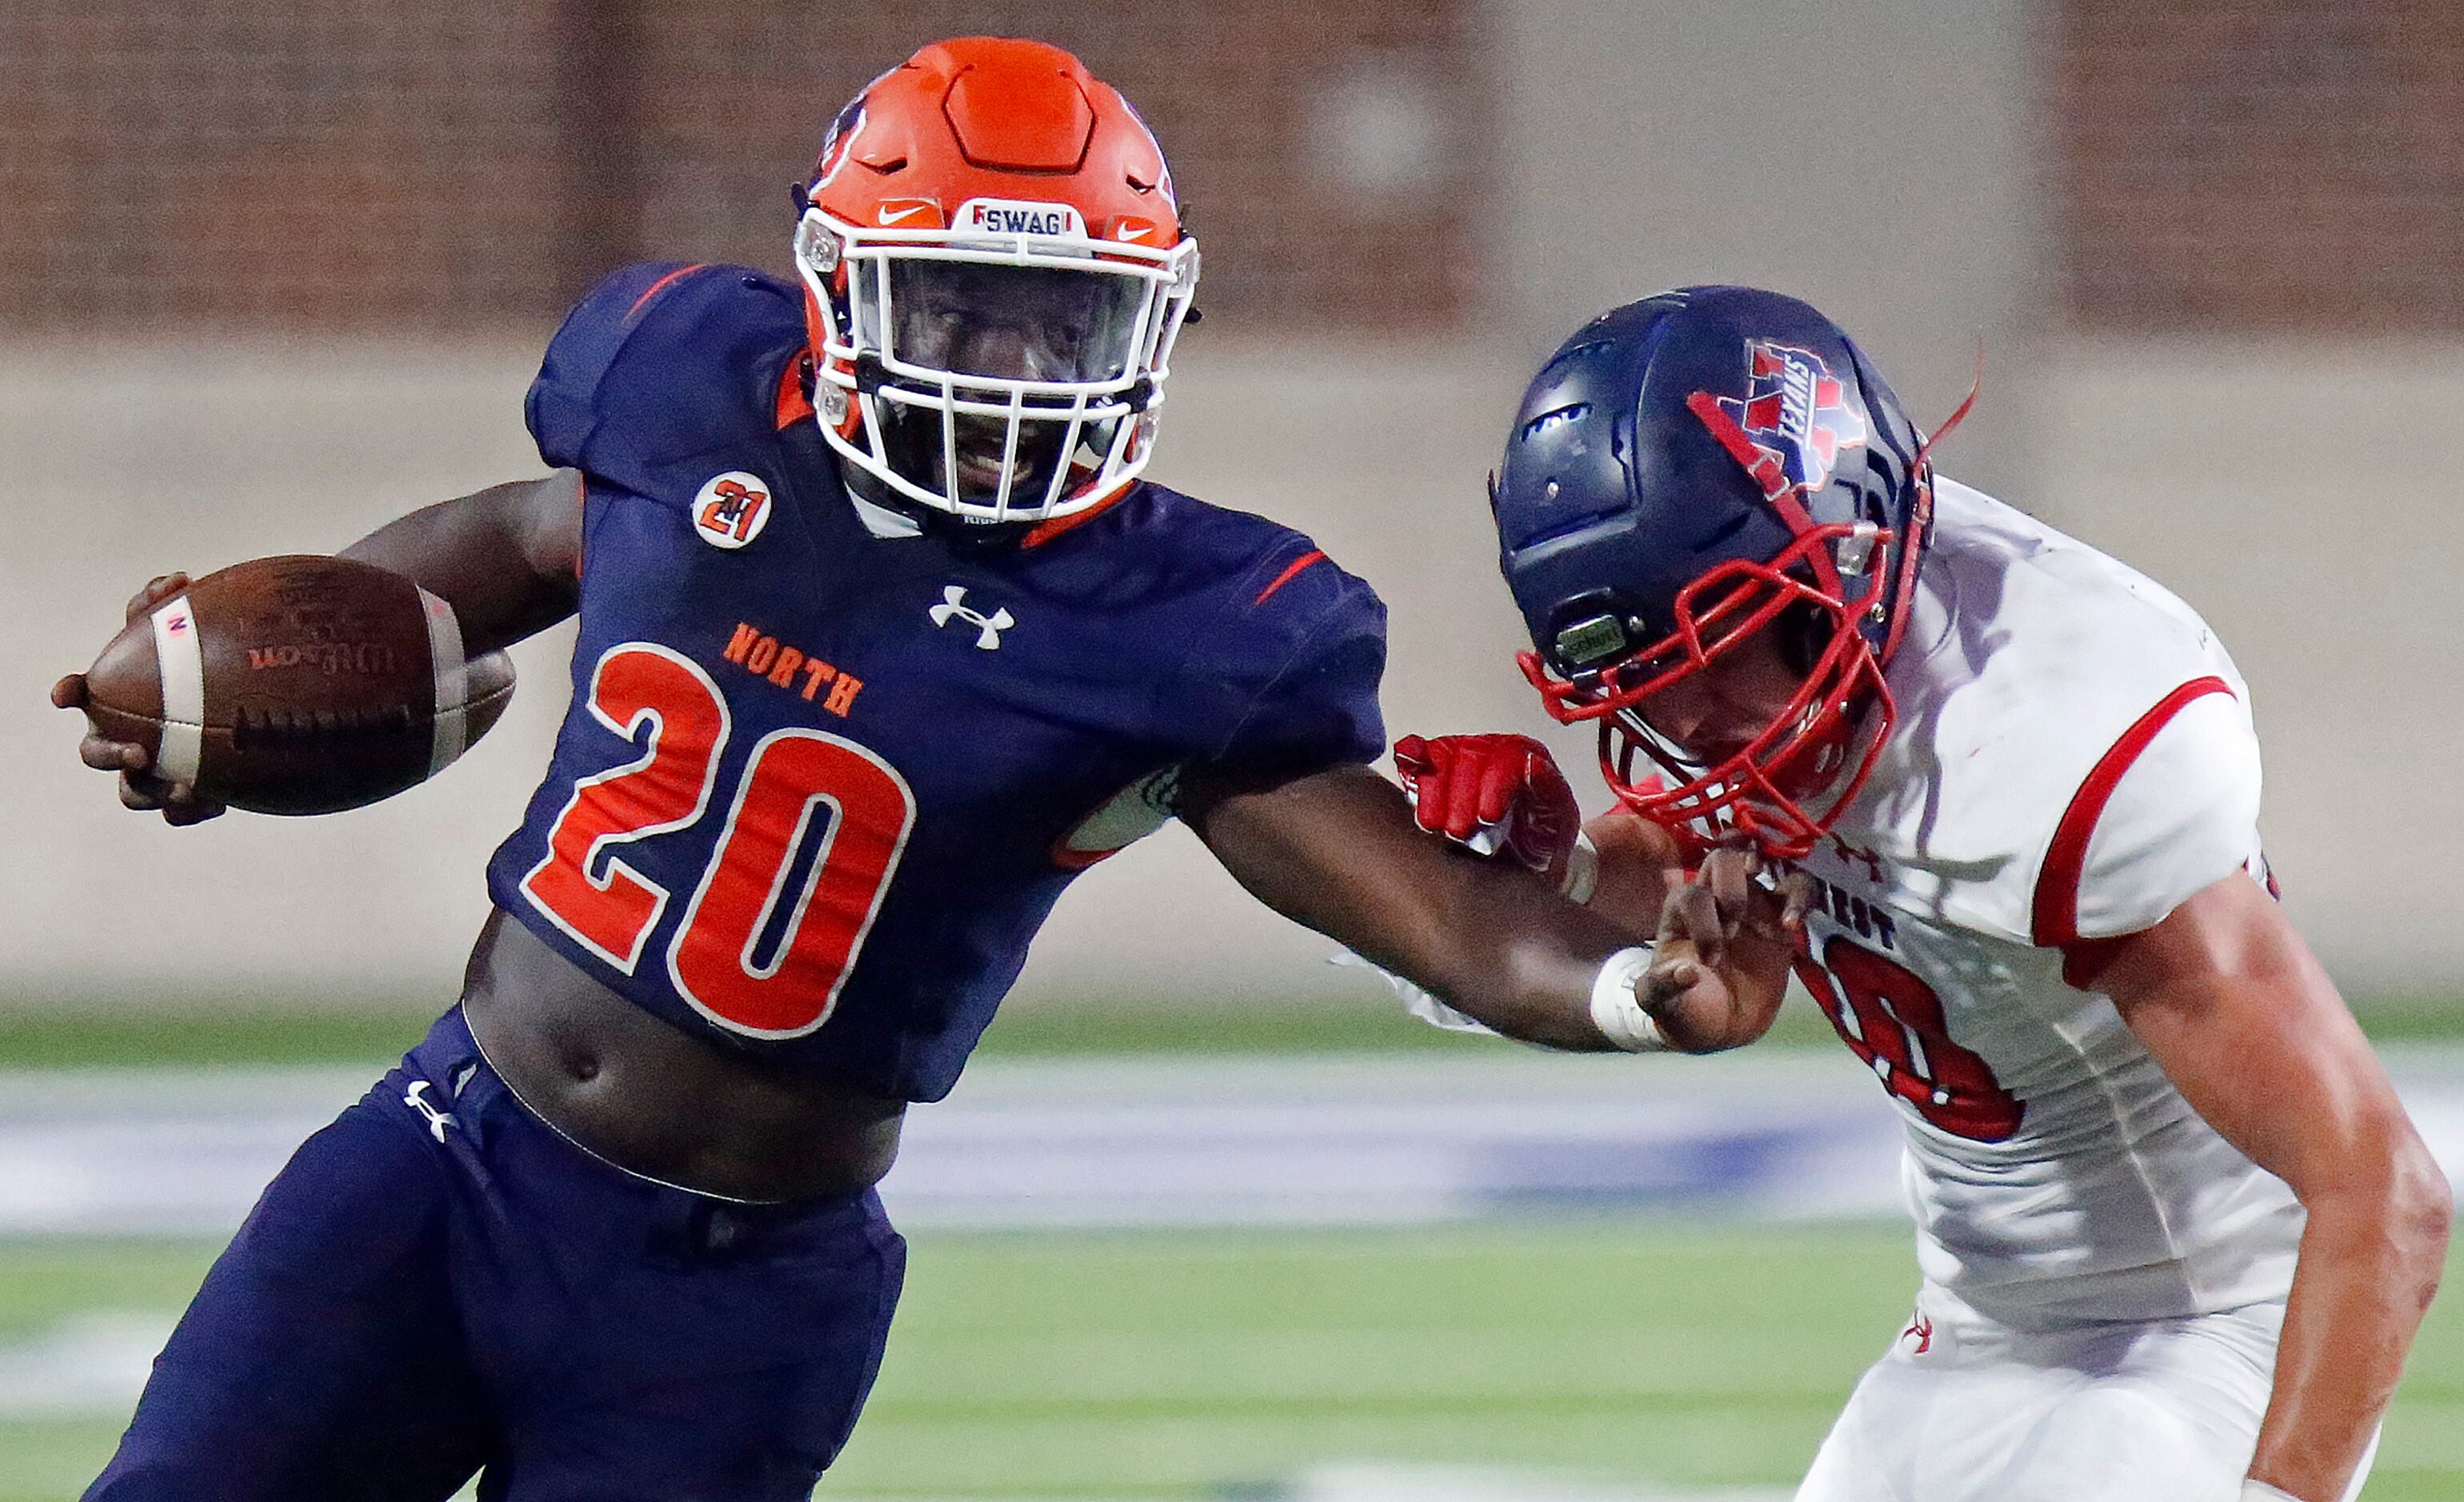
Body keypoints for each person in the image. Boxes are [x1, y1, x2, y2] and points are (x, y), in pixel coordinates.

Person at [48, 38, 1688, 1502]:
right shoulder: (695, 393)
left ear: (1151, 323)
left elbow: (1445, 922)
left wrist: (1637, 986)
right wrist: (261, 674)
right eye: (960, 302)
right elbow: (518, 534)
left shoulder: (1190, 624)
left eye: (1065, 322)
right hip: (446, 1155)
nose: (1008, 364)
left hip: (729, 1292)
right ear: (835, 286)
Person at [1393, 286, 2450, 1502]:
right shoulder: (1790, 676)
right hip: (1977, 1320)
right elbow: (1701, 859)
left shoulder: (2047, 739)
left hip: (2214, 1319)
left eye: (1717, 644)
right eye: (1639, 677)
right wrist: (1558, 866)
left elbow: (2384, 1190)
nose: (1680, 724)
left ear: (1841, 561)